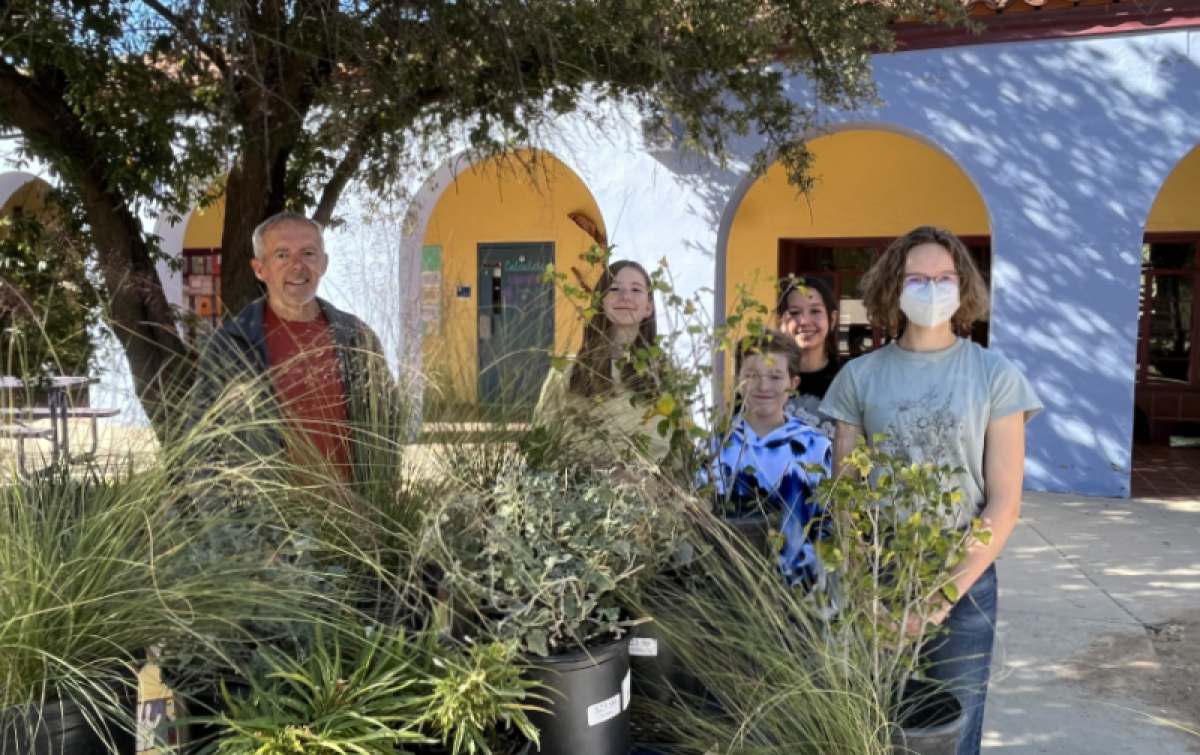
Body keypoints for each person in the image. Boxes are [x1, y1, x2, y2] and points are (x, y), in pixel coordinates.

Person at [820, 226, 1043, 755]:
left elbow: (1004, 502)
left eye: (943, 277)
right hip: (879, 571)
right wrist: (862, 584)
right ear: (893, 287)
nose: (931, 288)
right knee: (872, 724)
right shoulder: (858, 377)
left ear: (963, 287)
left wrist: (942, 596)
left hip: (963, 575)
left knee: (951, 733)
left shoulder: (996, 376)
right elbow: (845, 496)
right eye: (917, 277)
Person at [188, 211, 400, 484]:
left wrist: (379, 504)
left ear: (323, 263)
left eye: (308, 253)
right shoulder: (232, 344)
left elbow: (389, 427)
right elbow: (202, 449)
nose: (297, 265)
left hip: (354, 519)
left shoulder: (356, 338)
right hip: (267, 522)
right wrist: (232, 527)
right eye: (282, 255)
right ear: (259, 269)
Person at [706, 330, 832, 590]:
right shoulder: (717, 447)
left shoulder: (815, 448)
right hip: (731, 592)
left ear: (793, 384)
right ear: (737, 380)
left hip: (802, 596)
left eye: (775, 376)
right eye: (752, 376)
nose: (763, 386)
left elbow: (830, 527)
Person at [533, 259, 672, 467]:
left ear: (649, 308)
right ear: (601, 301)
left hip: (649, 495)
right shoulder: (566, 370)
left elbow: (680, 451)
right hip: (578, 492)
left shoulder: (665, 375)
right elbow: (541, 438)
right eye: (614, 288)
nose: (625, 296)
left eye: (636, 290)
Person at [777, 276, 842, 437]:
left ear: (832, 319)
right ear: (782, 323)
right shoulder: (767, 378)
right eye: (795, 313)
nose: (805, 321)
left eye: (815, 311)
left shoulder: (849, 378)